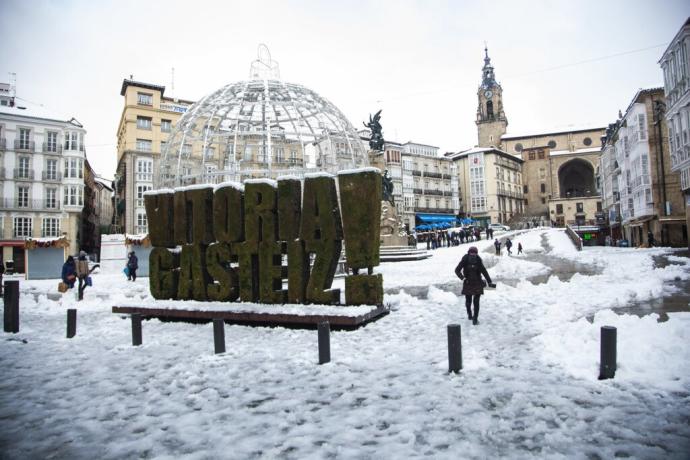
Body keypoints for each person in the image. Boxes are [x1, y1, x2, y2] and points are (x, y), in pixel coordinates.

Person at [455, 246, 494, 325]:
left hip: (468, 283)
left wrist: (463, 278)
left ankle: (470, 315)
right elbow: (484, 271)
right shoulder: (478, 259)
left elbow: (457, 270)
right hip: (477, 283)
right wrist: (489, 282)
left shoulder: (465, 259)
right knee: (476, 302)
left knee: (468, 300)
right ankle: (475, 319)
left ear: (468, 252)